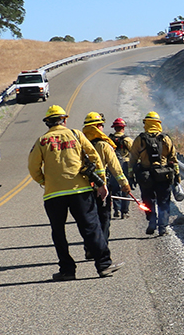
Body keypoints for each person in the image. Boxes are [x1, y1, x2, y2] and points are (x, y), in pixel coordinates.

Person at [28, 104, 119, 280]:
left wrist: (44, 181)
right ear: (65, 120)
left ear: (47, 123)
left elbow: (33, 167)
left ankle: (67, 271)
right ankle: (103, 265)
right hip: (81, 191)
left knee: (58, 232)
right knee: (91, 228)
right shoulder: (76, 134)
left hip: (53, 194)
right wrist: (102, 183)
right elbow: (94, 157)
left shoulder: (41, 141)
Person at [82, 111, 132, 246]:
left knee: (88, 219)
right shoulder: (103, 145)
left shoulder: (78, 144)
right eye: (101, 125)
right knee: (103, 218)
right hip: (101, 187)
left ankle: (89, 247)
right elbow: (115, 167)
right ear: (98, 127)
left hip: (81, 189)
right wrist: (124, 183)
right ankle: (101, 247)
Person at [129, 110, 178, 236]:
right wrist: (177, 176)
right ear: (158, 124)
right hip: (163, 175)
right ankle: (162, 227)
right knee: (163, 201)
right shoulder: (165, 139)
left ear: (146, 124)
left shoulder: (140, 140)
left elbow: (133, 159)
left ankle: (151, 221)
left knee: (148, 200)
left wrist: (130, 176)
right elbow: (173, 159)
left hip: (146, 177)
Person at [108, 117, 133, 219]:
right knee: (125, 188)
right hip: (125, 166)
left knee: (115, 189)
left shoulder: (109, 139)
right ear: (123, 128)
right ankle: (124, 212)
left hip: (113, 167)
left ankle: (116, 210)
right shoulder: (127, 140)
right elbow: (134, 153)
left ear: (115, 128)